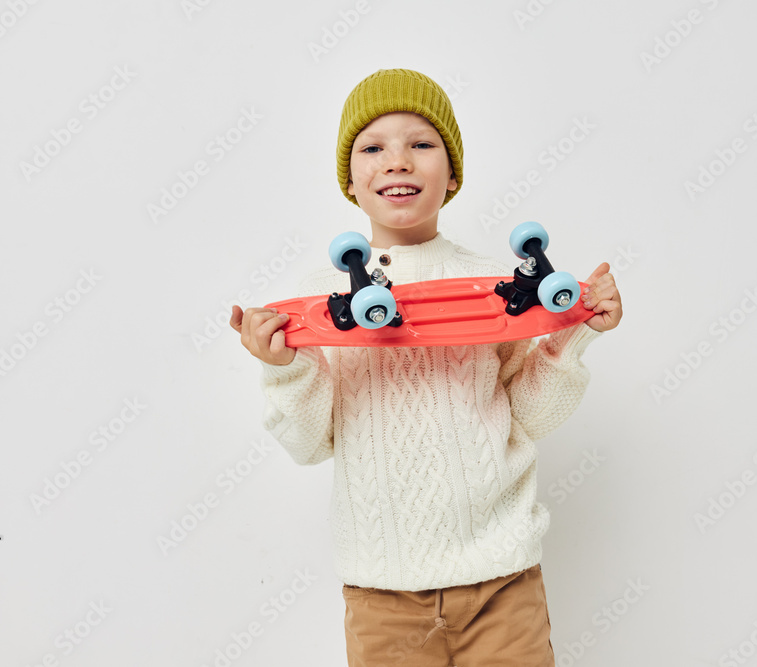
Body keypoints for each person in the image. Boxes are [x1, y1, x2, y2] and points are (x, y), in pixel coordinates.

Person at [230, 68, 622, 666]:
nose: (398, 161)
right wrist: (285, 368)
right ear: (349, 180)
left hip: (502, 579)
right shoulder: (323, 300)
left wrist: (572, 335)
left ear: (453, 172)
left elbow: (528, 417)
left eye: (421, 143)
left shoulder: (491, 285)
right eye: (372, 148)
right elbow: (310, 445)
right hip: (382, 591)